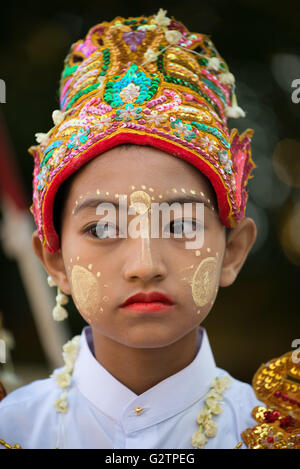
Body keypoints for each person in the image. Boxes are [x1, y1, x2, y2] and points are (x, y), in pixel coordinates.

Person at [0, 10, 298, 450]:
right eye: (102, 229)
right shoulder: (13, 429)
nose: (144, 265)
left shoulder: (280, 432)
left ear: (233, 251)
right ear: (55, 259)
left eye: (180, 225)